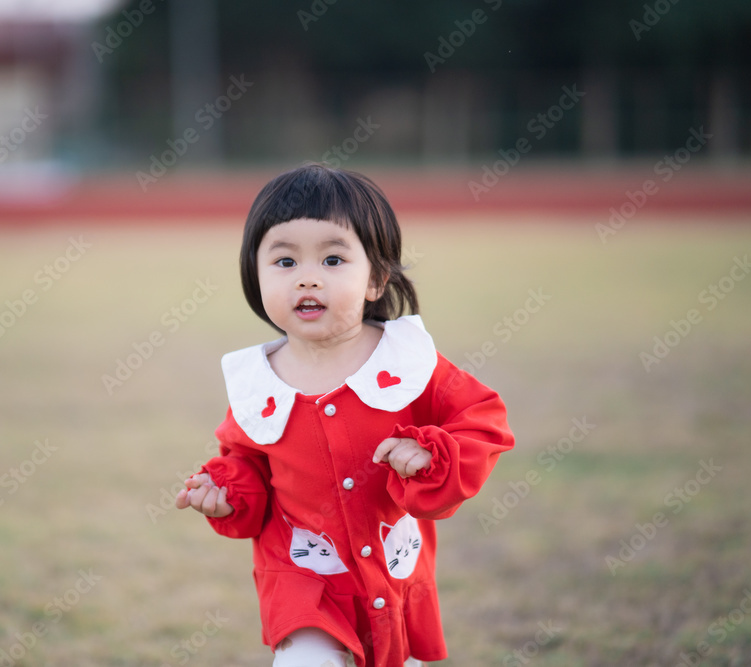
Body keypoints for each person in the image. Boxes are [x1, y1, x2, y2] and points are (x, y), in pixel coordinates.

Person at [175, 163, 515, 666]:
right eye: (284, 262)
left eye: (333, 260)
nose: (308, 278)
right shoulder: (257, 384)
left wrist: (431, 453)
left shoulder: (407, 364)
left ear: (376, 278)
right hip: (304, 581)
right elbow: (245, 465)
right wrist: (224, 493)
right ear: (256, 274)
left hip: (393, 573)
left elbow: (483, 421)